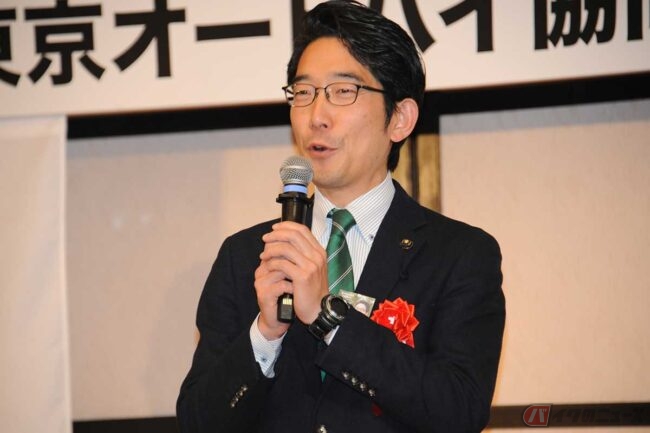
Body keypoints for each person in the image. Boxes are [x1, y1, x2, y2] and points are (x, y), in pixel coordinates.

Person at [176, 1, 505, 432]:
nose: (316, 117)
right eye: (304, 93)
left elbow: (459, 411)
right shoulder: (246, 257)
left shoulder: (459, 255)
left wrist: (328, 316)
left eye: (343, 91)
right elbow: (197, 423)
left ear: (400, 118)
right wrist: (265, 333)